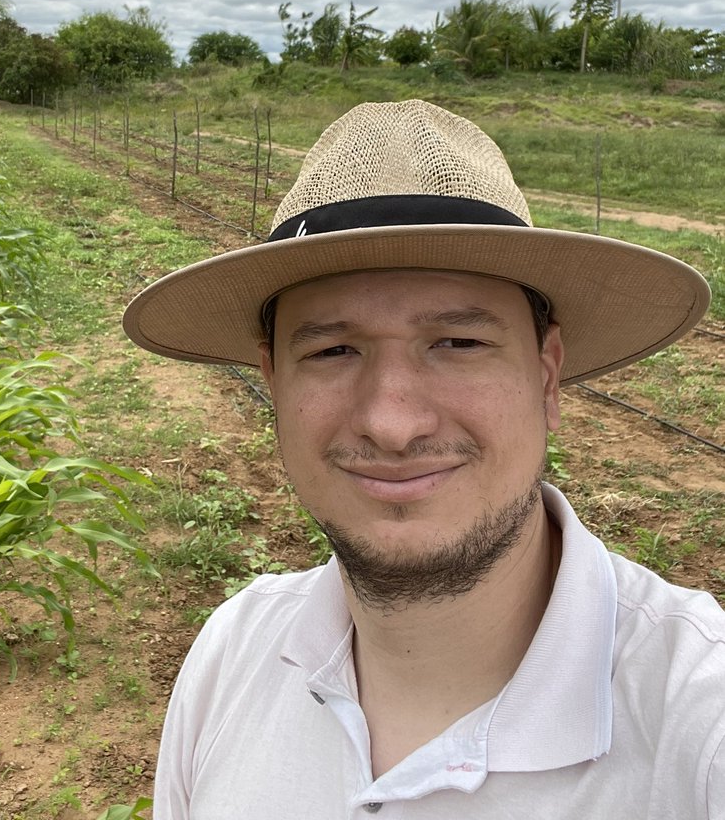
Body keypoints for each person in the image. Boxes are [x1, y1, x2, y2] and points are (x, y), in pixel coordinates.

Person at [122, 99, 724, 819]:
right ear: (274, 382)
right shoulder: (232, 653)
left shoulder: (697, 718)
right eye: (332, 350)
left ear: (546, 375)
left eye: (459, 343)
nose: (392, 423)